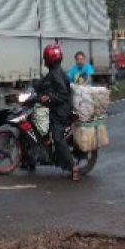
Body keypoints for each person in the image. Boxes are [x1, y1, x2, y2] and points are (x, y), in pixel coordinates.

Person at [34, 43, 79, 180]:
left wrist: (49, 97)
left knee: (58, 139)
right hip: (54, 108)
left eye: (45, 58)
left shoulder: (57, 74)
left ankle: (73, 168)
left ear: (49, 59)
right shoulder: (54, 72)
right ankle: (29, 159)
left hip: (61, 111)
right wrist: (31, 86)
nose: (44, 61)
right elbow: (42, 83)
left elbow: (63, 94)